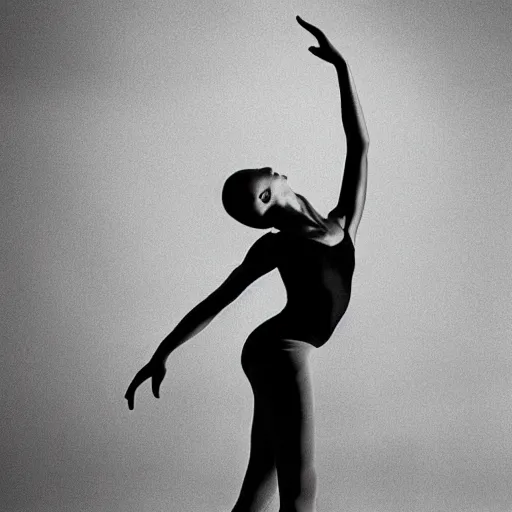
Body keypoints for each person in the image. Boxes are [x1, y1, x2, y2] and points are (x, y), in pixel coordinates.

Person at [125, 15, 369, 512]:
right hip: (281, 349)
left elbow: (359, 145)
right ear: (265, 195)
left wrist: (342, 69)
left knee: (262, 480)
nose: (273, 166)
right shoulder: (277, 246)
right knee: (300, 488)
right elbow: (219, 298)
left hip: (281, 349)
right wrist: (163, 352)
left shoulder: (342, 223)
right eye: (265, 173)